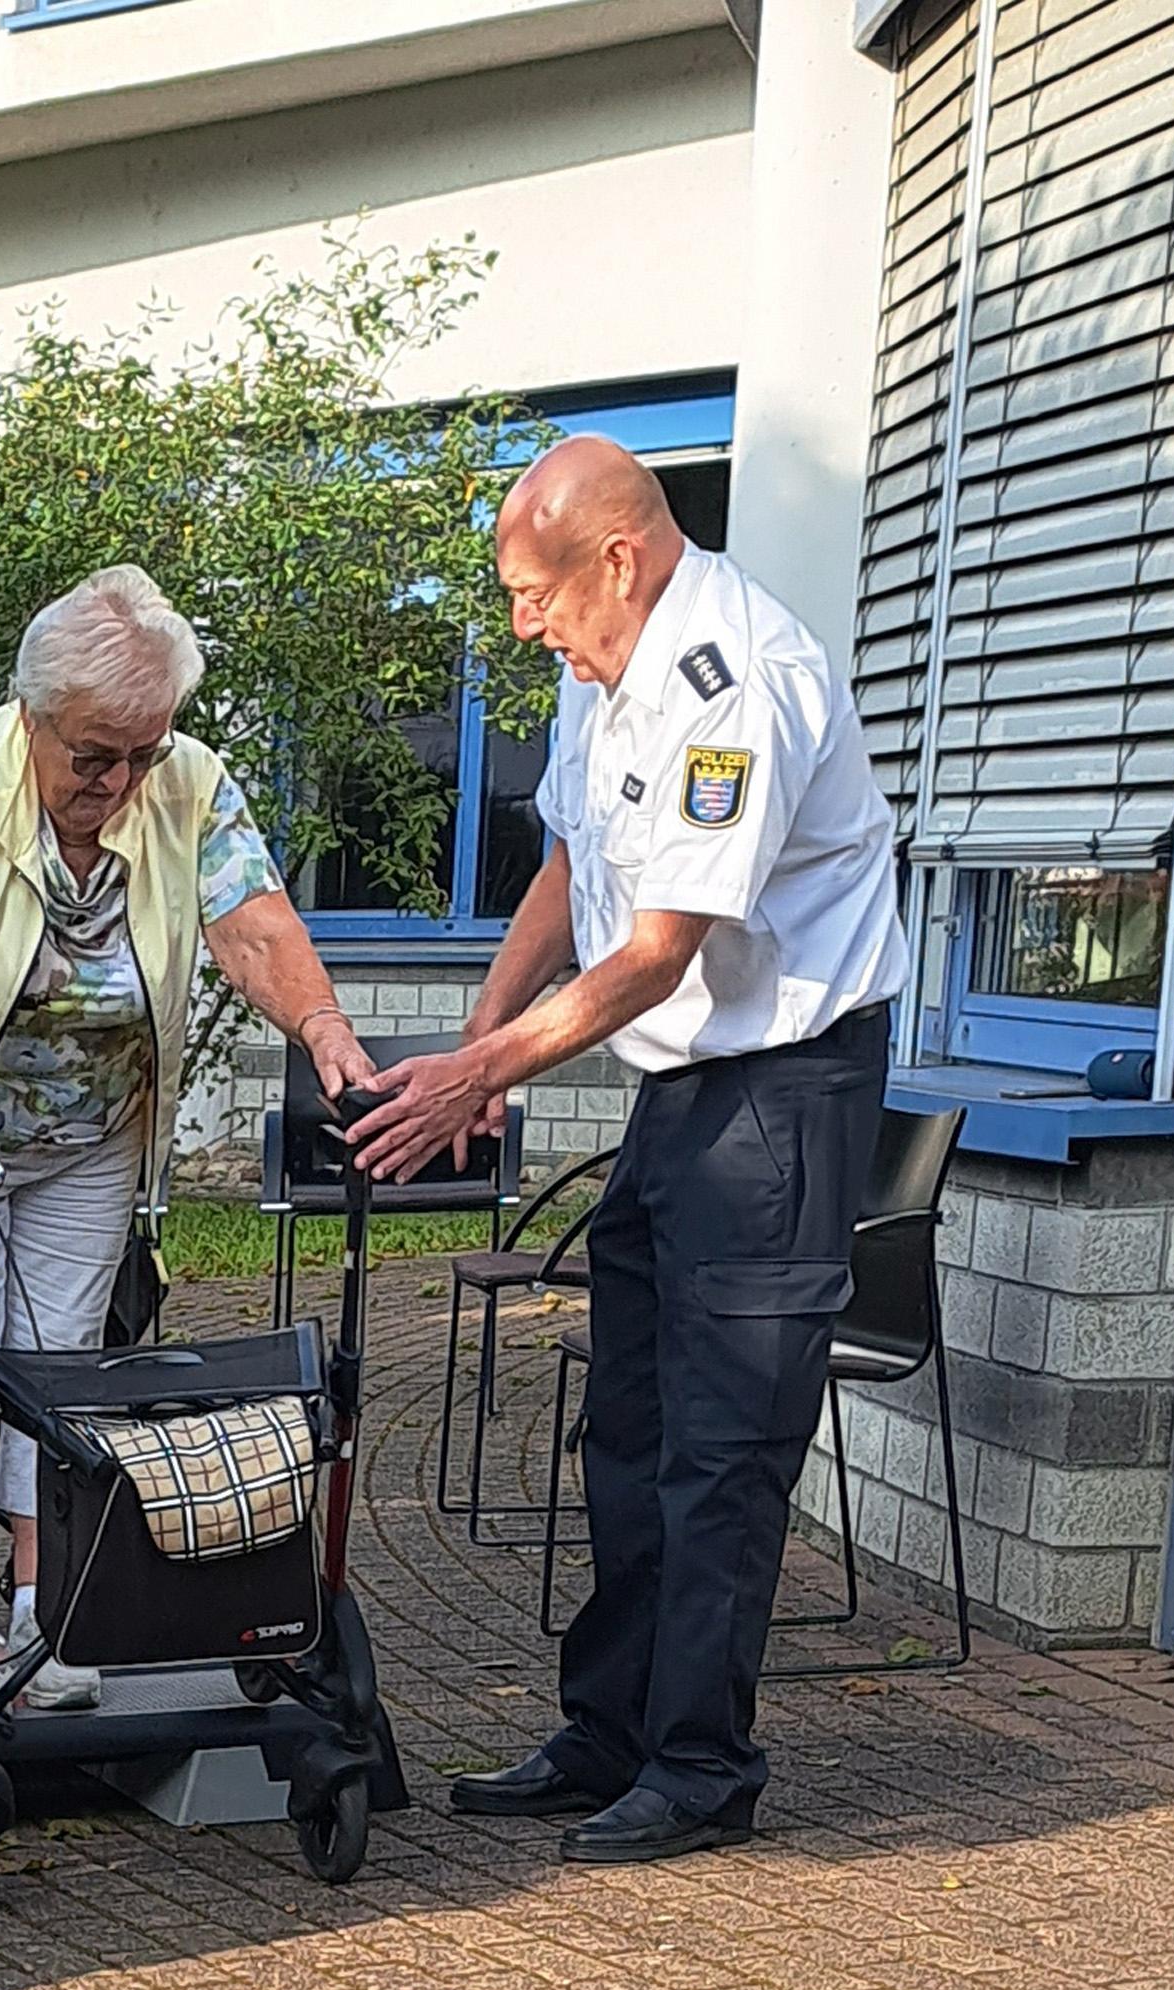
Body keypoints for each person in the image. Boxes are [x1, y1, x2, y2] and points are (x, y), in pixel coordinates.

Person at [346, 437, 909, 1863]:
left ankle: (702, 1767)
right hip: (682, 1101)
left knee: (723, 1449)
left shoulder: (742, 689)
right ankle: (608, 1733)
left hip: (781, 1095)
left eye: (534, 595)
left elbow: (659, 953)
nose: (522, 626)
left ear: (620, 559)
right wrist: (485, 1033)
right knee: (627, 1431)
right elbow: (564, 866)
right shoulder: (599, 660)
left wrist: (482, 1065)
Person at [0, 564, 378, 1709]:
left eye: (140, 753)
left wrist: (325, 1029)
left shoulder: (188, 785)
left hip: (89, 1133)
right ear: (31, 716)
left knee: (59, 1374)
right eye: (93, 756)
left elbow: (252, 923)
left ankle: (42, 1629)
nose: (116, 781)